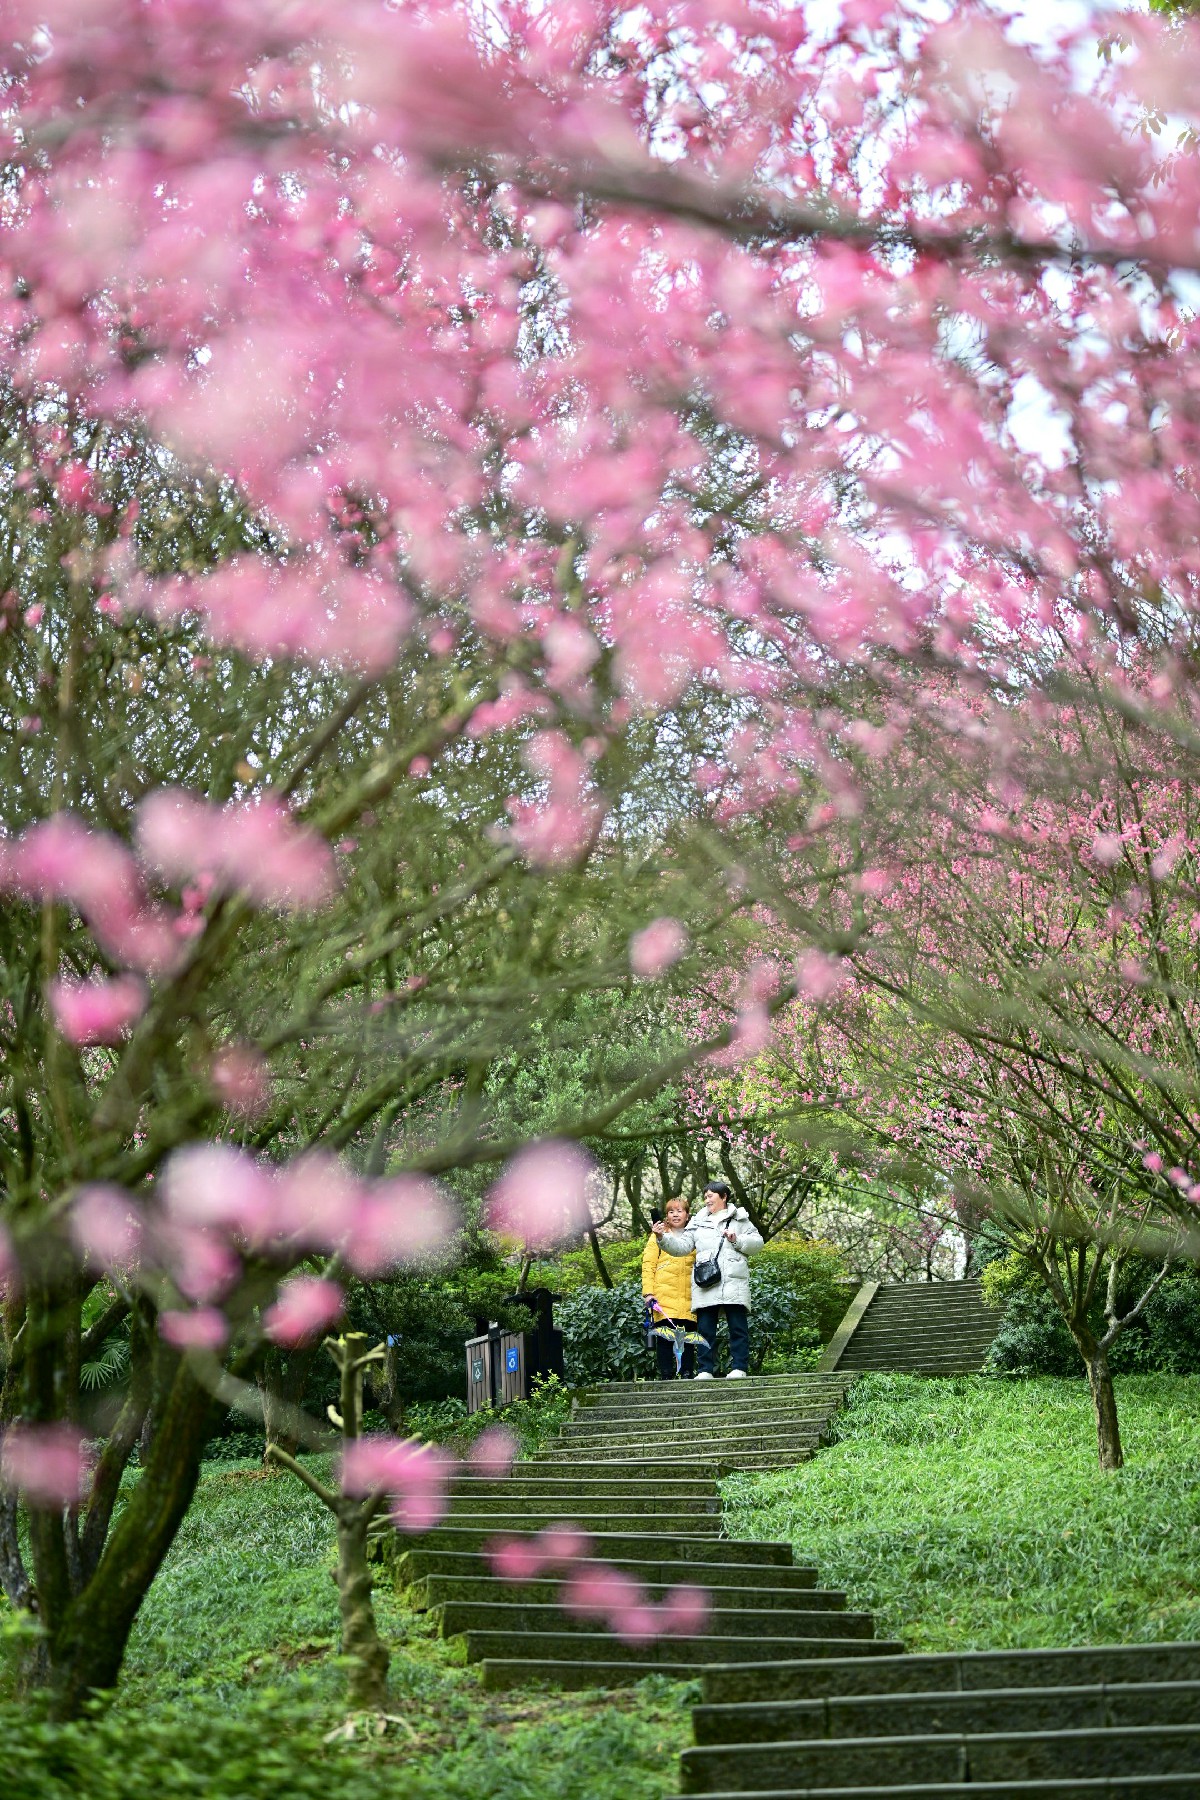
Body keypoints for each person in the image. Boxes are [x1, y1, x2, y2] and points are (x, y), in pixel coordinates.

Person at [654, 1180, 763, 1380]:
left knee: (737, 1328)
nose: (707, 1200)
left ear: (724, 1197)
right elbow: (682, 1247)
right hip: (706, 1282)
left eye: (711, 1196)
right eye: (705, 1197)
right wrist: (662, 1238)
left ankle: (739, 1367)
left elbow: (757, 1244)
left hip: (733, 1281)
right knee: (705, 1330)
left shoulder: (740, 1219)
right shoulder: (697, 1221)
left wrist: (736, 1240)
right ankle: (705, 1370)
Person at [641, 1195, 698, 1379]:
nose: (675, 1215)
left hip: (690, 1295)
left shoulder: (695, 1234)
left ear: (687, 1215)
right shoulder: (658, 1235)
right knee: (665, 1339)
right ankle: (666, 1375)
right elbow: (648, 1265)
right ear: (666, 1215)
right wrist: (648, 1293)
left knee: (688, 1338)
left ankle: (687, 1373)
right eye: (671, 1211)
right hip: (664, 1296)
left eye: (679, 1211)